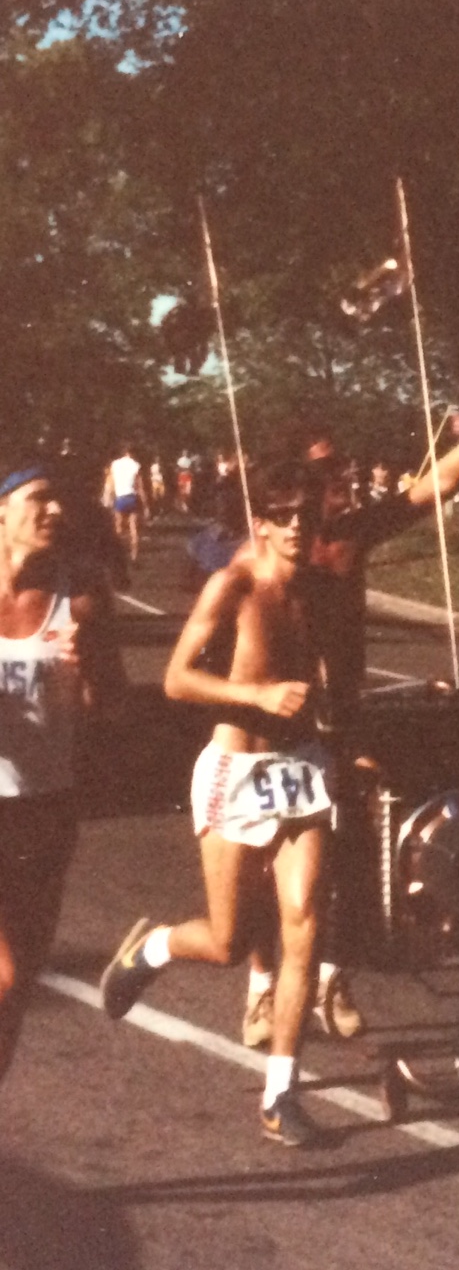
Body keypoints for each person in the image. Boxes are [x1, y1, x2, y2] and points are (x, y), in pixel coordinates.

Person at [240, 369, 459, 1050]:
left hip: (342, 717)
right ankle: (259, 990)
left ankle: (330, 978)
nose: (342, 475)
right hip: (273, 721)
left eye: (341, 465)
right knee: (256, 857)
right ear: (290, 480)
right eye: (327, 465)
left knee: (350, 848)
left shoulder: (356, 530)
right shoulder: (261, 550)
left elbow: (437, 485)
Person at [101, 460, 335, 1147]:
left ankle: (280, 1092)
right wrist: (256, 697)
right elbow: (177, 679)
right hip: (235, 769)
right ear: (261, 523)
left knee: (304, 923)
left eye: (308, 516)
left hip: (300, 770)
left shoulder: (320, 590)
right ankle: (155, 948)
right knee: (230, 941)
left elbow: (329, 680)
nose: (298, 527)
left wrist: (341, 739)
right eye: (284, 515)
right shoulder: (233, 585)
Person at [0, 460, 125, 1083]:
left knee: (18, 979)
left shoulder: (80, 597)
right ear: (1, 509)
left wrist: (88, 674)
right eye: (38, 498)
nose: (55, 511)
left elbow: (113, 709)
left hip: (46, 808)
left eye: (61, 502)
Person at [105, 444, 149, 562]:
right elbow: (140, 487)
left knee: (118, 527)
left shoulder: (115, 464)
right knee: (133, 528)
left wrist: (108, 498)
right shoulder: (135, 465)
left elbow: (111, 483)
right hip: (132, 497)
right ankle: (134, 556)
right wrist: (145, 505)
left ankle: (117, 555)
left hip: (120, 498)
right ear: (132, 453)